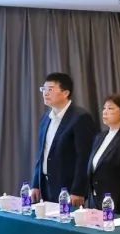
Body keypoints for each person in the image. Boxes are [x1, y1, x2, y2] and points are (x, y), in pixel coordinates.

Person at [30, 73, 98, 205]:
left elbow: (85, 157)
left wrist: (78, 190)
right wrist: (36, 184)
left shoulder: (80, 117)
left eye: (50, 89)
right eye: (43, 89)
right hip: (45, 186)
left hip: (68, 189)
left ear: (66, 93)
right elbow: (42, 154)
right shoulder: (46, 118)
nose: (45, 93)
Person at [86, 94, 120, 214]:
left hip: (116, 202)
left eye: (110, 108)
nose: (105, 112)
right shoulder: (100, 137)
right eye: (104, 108)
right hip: (95, 201)